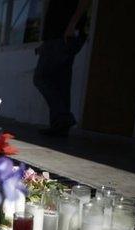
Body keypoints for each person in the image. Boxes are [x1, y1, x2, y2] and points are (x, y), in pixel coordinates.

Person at [33, 0, 90, 137]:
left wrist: (72, 25)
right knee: (61, 82)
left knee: (41, 78)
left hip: (63, 35)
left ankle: (63, 117)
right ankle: (59, 126)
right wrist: (45, 43)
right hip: (58, 37)